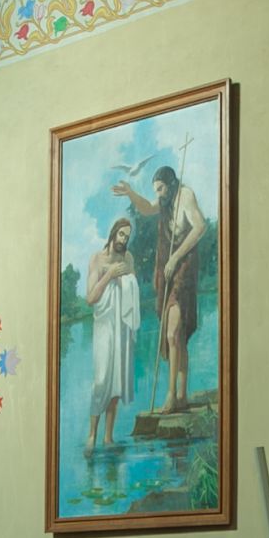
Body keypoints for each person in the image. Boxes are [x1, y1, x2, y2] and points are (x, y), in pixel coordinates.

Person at [113, 161, 209, 412]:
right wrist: (131, 193)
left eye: (160, 189)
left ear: (171, 184)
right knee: (177, 336)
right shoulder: (165, 203)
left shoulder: (185, 196)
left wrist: (175, 257)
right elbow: (146, 208)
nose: (158, 194)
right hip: (167, 272)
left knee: (173, 333)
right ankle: (181, 395)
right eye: (156, 190)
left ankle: (171, 395)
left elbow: (200, 226)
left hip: (184, 269)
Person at [82, 215, 141, 450]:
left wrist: (127, 279)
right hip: (104, 326)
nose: (123, 240)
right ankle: (91, 435)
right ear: (113, 233)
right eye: (121, 234)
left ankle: (108, 438)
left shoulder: (128, 258)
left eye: (127, 236)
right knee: (101, 380)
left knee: (117, 380)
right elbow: (90, 298)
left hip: (122, 325)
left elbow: (133, 289)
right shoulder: (97, 259)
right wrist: (109, 275)